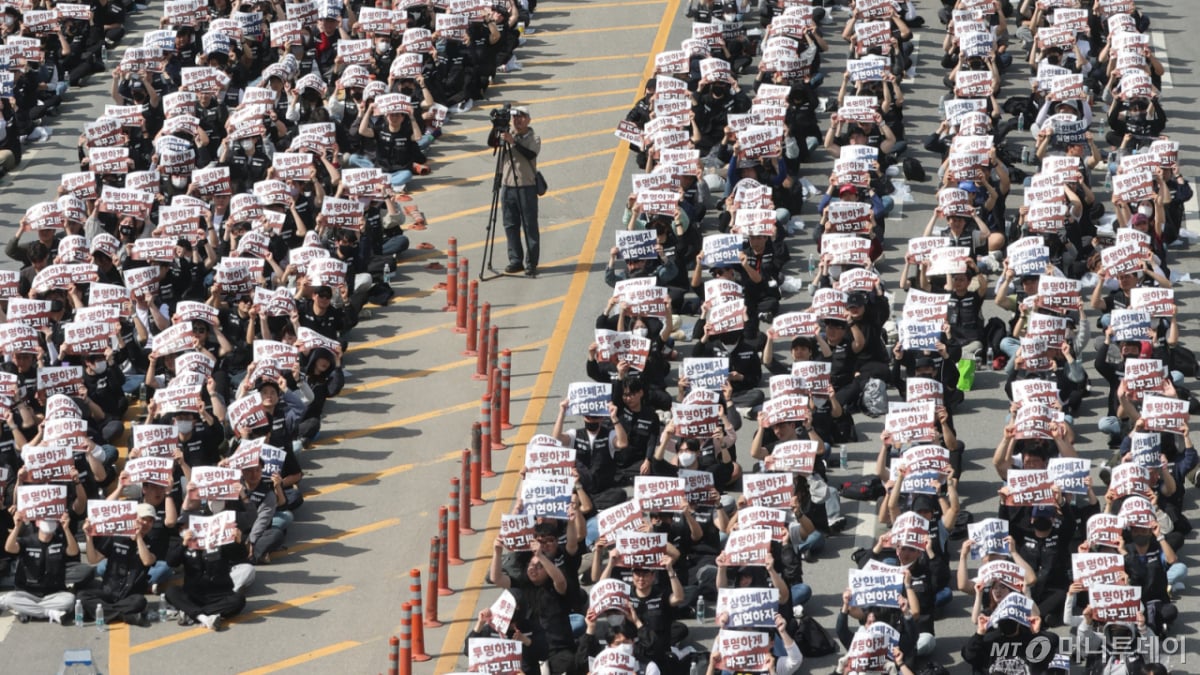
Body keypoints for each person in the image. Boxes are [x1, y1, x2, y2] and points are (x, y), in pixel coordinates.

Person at [487, 105, 542, 276]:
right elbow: (491, 143)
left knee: (529, 226)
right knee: (510, 225)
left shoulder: (533, 137)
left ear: (528, 119)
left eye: (522, 117)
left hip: (526, 187)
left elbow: (530, 154)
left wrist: (513, 142)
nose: (517, 120)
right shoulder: (508, 134)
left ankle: (531, 263)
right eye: (515, 117)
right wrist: (495, 127)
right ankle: (515, 260)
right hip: (508, 186)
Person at [0, 511, 77, 623]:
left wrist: (66, 529)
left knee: (70, 599)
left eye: (52, 520)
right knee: (9, 599)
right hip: (27, 592)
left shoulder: (60, 541)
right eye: (44, 519)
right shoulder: (28, 541)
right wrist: (17, 527)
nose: (48, 522)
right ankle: (49, 612)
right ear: (36, 523)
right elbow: (9, 548)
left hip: (53, 593)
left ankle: (27, 610)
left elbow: (73, 551)